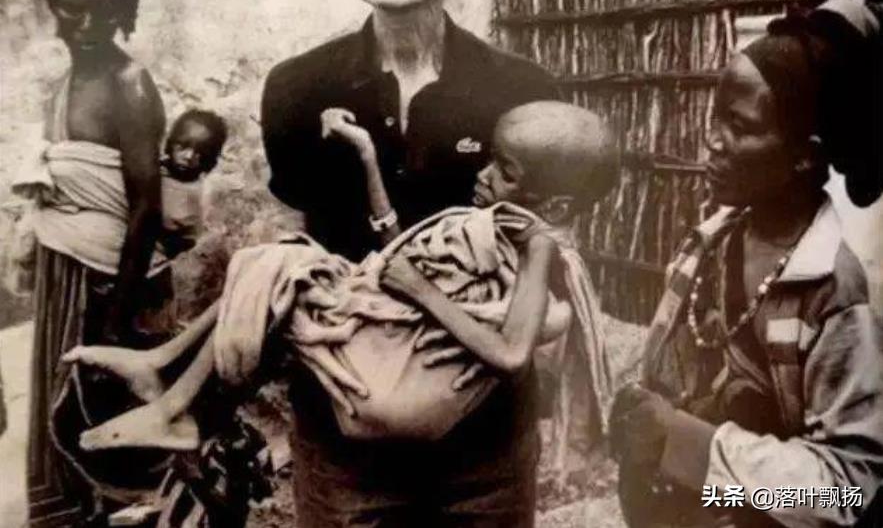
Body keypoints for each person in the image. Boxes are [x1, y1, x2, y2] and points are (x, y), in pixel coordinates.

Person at [64, 102, 617, 528]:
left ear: (557, 206)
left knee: (279, 265)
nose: (487, 174)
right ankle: (165, 378)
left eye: (507, 171)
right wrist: (368, 157)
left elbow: (512, 352)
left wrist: (418, 289)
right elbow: (398, 244)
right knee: (279, 261)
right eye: (492, 158)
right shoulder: (500, 225)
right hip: (396, 326)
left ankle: (172, 396)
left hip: (403, 375)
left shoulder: (539, 245)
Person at [219, 0, 557, 524]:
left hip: (483, 448)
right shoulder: (297, 90)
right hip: (346, 442)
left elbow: (535, 265)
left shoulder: (522, 93)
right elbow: (306, 255)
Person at [610, 0, 883, 528]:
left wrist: (688, 448)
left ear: (806, 154)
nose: (712, 141)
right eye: (716, 116)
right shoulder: (707, 246)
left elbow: (849, 489)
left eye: (738, 125)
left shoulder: (835, 294)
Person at [25, 0, 168, 528]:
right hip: (64, 276)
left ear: (124, 8)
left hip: (106, 283)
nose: (86, 25)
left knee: (97, 423)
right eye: (71, 9)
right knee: (61, 415)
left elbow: (145, 207)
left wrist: (116, 317)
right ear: (52, 3)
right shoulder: (65, 82)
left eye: (103, 11)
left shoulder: (127, 84)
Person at [160, 108, 228, 257]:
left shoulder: (203, 193)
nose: (189, 156)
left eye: (200, 152)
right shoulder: (151, 173)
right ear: (170, 142)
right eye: (183, 146)